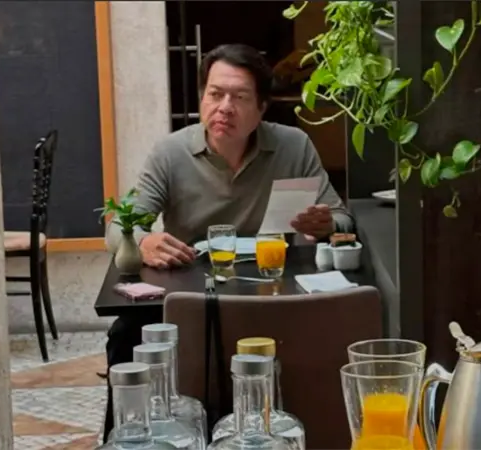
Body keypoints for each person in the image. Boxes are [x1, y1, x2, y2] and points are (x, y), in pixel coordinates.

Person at [102, 43, 353, 439]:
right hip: (192, 292)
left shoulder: (293, 145)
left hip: (272, 292)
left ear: (262, 107)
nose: (224, 108)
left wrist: (325, 224)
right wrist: (144, 240)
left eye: (240, 97)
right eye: (215, 94)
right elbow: (118, 228)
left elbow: (342, 218)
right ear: (202, 98)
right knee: (126, 333)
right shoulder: (170, 153)